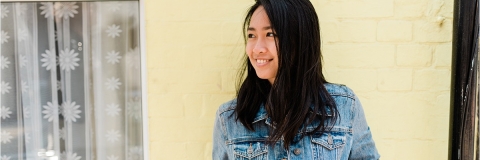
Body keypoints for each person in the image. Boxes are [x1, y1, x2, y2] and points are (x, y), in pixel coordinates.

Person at [212, 0, 380, 159]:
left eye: (270, 34)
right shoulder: (229, 118)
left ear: (298, 39)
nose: (257, 48)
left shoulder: (344, 106)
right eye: (251, 35)